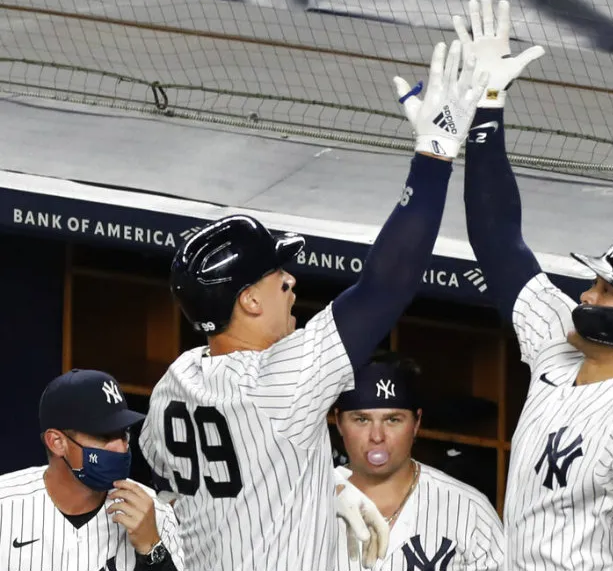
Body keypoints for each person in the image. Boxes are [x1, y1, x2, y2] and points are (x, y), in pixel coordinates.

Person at [137, 40, 490, 571]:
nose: (292, 284)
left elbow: (194, 467)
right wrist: (434, 155)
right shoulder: (282, 379)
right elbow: (386, 285)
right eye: (279, 277)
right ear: (249, 299)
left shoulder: (176, 381)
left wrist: (315, 478)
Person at [454, 0, 613, 571]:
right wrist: (488, 106)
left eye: (607, 290)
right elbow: (498, 242)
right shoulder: (560, 342)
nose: (586, 297)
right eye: (593, 282)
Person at [332, 352, 505, 571]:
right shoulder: (307, 504)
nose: (376, 436)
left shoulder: (470, 510)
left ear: (416, 423)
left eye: (393, 420)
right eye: (361, 419)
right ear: (339, 422)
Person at [0, 369, 183, 571]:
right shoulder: (5, 507)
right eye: (104, 436)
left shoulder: (155, 513)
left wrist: (153, 551)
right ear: (57, 442)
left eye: (123, 434)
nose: (121, 447)